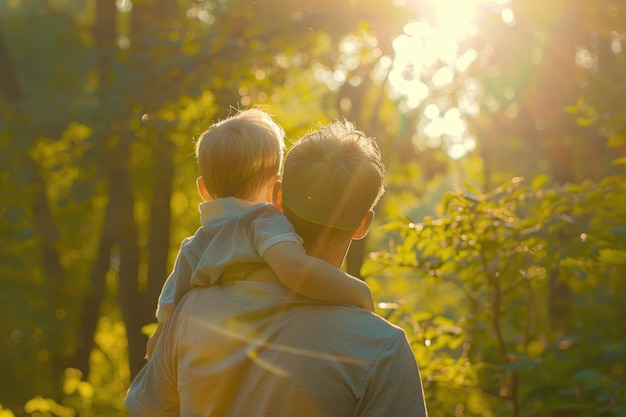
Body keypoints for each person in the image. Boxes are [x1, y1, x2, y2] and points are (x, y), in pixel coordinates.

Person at [126, 119, 429, 417]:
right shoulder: (382, 348)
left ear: (278, 197)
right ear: (363, 223)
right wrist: (361, 295)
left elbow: (147, 408)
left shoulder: (190, 312)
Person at [146, 108, 374, 359]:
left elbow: (168, 315)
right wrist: (359, 293)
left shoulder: (194, 246)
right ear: (275, 189)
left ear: (203, 189)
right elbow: (296, 271)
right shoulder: (263, 222)